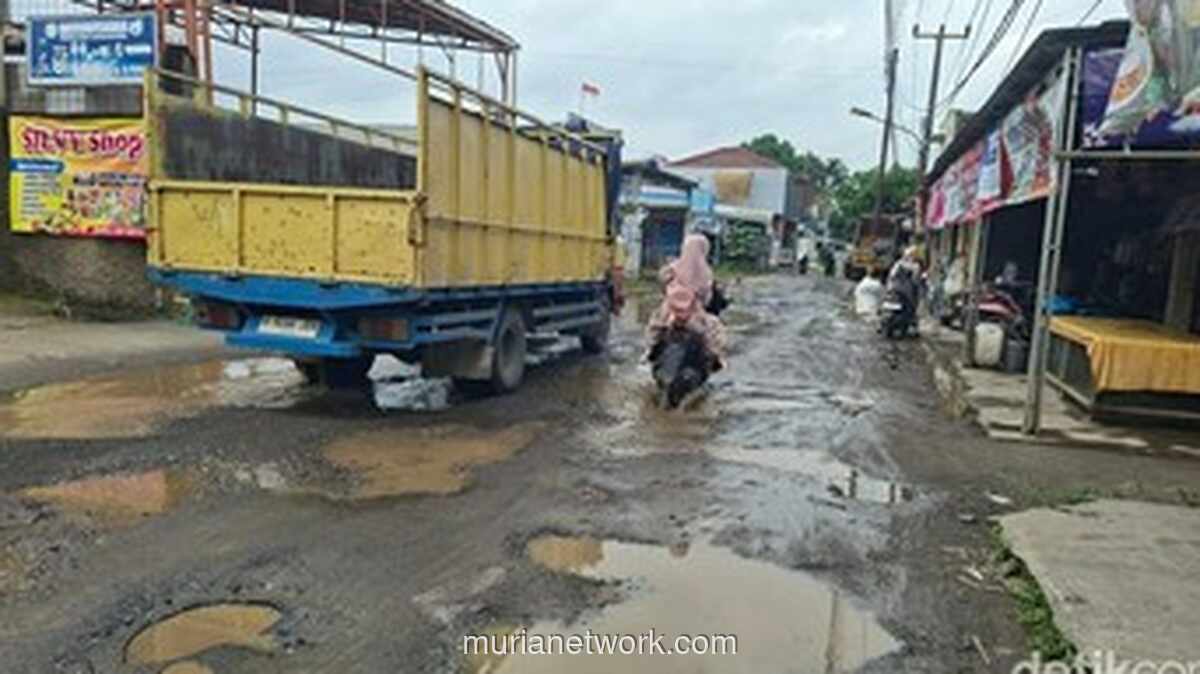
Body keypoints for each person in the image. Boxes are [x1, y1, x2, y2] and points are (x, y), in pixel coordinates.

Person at [645, 234, 728, 369]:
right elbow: (707, 298)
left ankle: (649, 352)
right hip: (694, 315)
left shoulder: (673, 268)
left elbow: (662, 283)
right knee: (715, 332)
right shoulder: (705, 273)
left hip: (670, 313)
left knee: (654, 328)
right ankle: (716, 360)